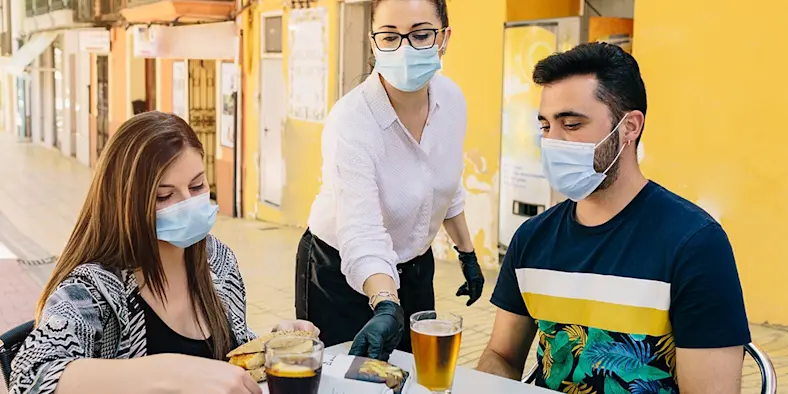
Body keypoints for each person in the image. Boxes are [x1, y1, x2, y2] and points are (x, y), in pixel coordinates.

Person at [477, 43, 750, 393]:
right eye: (545, 126)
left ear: (629, 127)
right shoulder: (533, 238)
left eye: (571, 124)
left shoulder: (694, 244)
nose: (552, 141)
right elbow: (502, 355)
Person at [9, 112, 317, 394]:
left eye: (197, 186)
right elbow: (29, 376)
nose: (187, 204)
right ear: (126, 201)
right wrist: (169, 372)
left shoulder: (217, 260)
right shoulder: (93, 291)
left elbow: (229, 358)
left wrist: (273, 345)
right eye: (164, 196)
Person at [296, 0, 485, 361]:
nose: (404, 49)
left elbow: (445, 183)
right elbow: (361, 230)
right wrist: (385, 303)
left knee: (413, 370)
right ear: (373, 42)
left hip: (414, 264)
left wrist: (467, 254)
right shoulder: (352, 120)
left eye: (421, 35)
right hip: (340, 268)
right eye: (389, 36)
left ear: (444, 38)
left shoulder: (452, 101)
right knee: (347, 374)